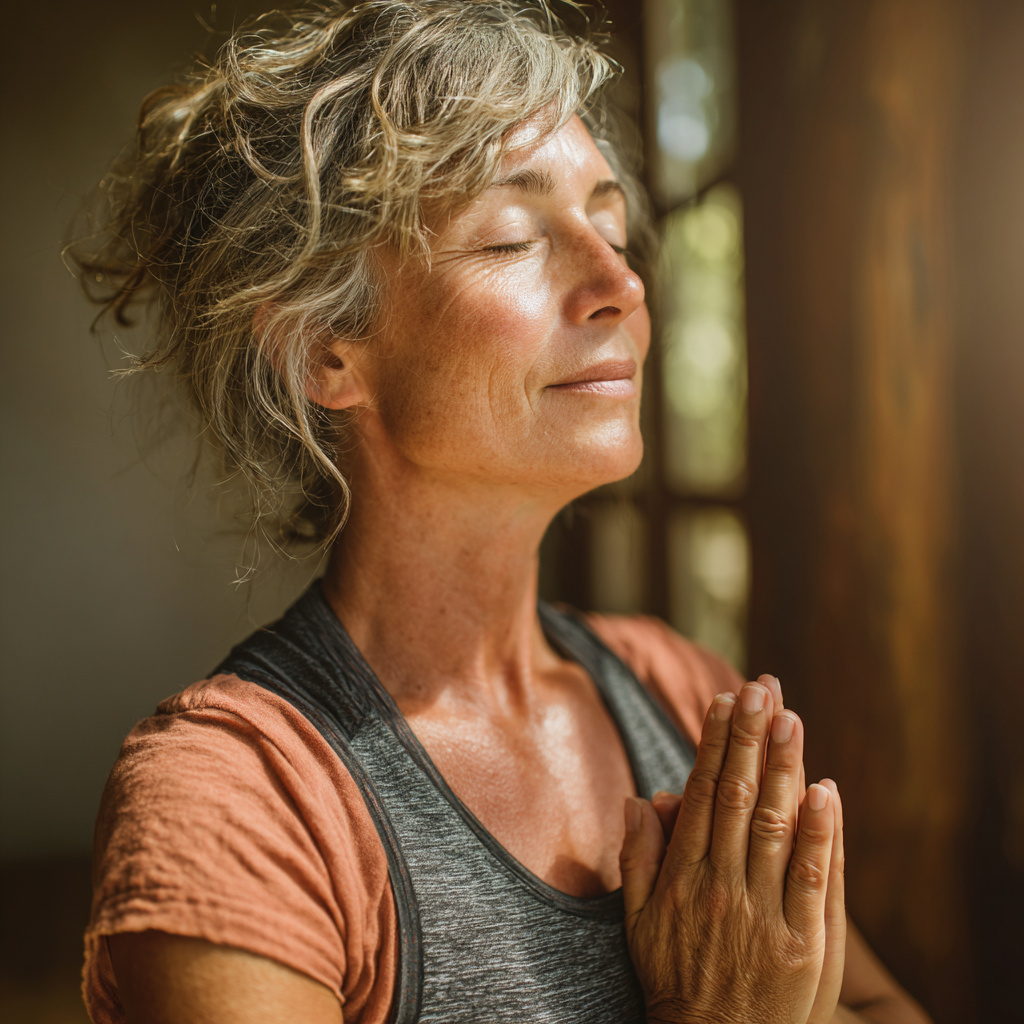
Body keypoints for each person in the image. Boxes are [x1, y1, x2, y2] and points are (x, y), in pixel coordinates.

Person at [73, 3, 933, 1022]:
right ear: (322, 352)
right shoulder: (240, 797)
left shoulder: (676, 688)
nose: (620, 281)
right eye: (513, 237)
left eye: (610, 227)